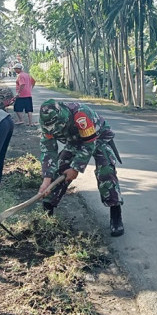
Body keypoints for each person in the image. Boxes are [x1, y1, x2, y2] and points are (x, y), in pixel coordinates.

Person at [37, 99, 124, 236]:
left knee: (106, 172)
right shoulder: (46, 122)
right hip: (75, 141)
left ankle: (116, 216)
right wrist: (46, 179)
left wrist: (75, 168)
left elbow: (89, 144)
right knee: (59, 171)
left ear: (61, 116)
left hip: (98, 138)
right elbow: (48, 151)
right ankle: (47, 215)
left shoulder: (80, 115)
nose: (53, 129)